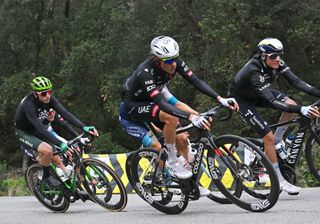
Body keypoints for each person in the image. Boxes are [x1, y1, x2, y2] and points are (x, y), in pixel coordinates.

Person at [120, 35, 239, 184]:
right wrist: (190, 117)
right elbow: (161, 104)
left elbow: (195, 82)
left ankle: (189, 184)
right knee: (169, 122)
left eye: (175, 58)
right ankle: (171, 159)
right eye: (169, 61)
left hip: (154, 100)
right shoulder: (144, 72)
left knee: (182, 137)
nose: (174, 64)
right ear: (157, 60)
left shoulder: (174, 63)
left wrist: (219, 99)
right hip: (133, 107)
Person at [229, 37, 320, 195]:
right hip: (243, 100)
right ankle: (278, 179)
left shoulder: (278, 63)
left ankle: (278, 139)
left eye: (280, 55)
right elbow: (271, 102)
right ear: (263, 56)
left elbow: (297, 82)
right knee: (268, 137)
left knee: (291, 105)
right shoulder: (254, 71)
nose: (277, 59)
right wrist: (301, 109)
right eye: (273, 56)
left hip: (261, 92)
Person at [15, 76, 99, 186]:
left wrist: (83, 127)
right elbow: (40, 129)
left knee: (56, 156)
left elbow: (65, 114)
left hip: (39, 130)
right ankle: (45, 178)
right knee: (48, 150)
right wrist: (60, 143)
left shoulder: (50, 99)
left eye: (49, 92)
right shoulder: (28, 104)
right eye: (44, 94)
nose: (48, 96)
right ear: (36, 94)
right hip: (25, 132)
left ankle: (68, 186)